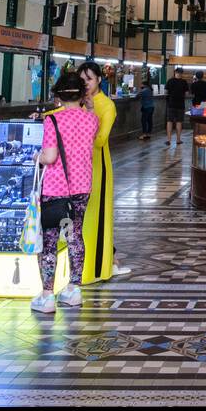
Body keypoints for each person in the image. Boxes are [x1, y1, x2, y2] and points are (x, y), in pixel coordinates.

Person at [54, 61, 128, 283]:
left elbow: (101, 140)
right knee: (73, 219)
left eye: (90, 79)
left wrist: (86, 118)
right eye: (82, 79)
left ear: (99, 81)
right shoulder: (74, 103)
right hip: (72, 167)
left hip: (96, 167)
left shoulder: (106, 105)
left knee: (95, 218)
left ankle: (97, 267)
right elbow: (57, 116)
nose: (85, 83)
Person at [32, 71, 99, 313]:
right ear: (82, 94)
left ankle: (47, 296)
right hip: (81, 188)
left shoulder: (53, 120)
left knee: (50, 241)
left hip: (56, 189)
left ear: (58, 95)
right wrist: (89, 106)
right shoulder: (92, 120)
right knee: (74, 235)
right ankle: (73, 290)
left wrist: (35, 156)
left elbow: (50, 157)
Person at [164, 66, 189, 149]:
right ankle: (178, 140)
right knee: (179, 122)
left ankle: (169, 140)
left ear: (175, 72)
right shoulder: (184, 82)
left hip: (171, 104)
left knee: (169, 121)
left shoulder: (170, 81)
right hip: (180, 104)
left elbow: (166, 92)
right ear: (182, 74)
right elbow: (187, 94)